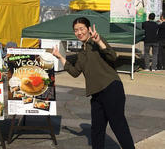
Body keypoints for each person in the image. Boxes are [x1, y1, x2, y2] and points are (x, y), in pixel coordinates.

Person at [52, 17, 134, 149]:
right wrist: (61, 57)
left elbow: (113, 57)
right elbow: (74, 72)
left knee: (118, 124)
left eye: (81, 29)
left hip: (111, 88)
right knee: (96, 129)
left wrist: (99, 41)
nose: (79, 32)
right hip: (96, 94)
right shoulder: (81, 52)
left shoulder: (96, 41)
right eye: (76, 30)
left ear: (89, 29)